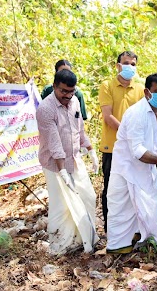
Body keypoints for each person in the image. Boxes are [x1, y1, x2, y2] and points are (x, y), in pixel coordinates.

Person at [106, 73, 157, 254]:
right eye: (156, 91)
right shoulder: (136, 114)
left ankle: (148, 242)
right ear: (146, 92)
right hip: (126, 169)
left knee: (153, 205)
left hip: (147, 169)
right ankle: (118, 250)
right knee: (122, 211)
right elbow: (137, 151)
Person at [36, 69, 99, 255]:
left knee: (88, 197)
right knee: (61, 206)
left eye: (71, 91)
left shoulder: (75, 102)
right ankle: (59, 246)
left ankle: (83, 239)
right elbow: (54, 143)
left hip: (74, 159)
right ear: (54, 87)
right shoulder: (46, 109)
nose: (68, 96)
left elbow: (79, 130)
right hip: (55, 165)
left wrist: (91, 150)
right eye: (64, 91)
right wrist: (62, 172)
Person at [99, 51, 145, 232]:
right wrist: (128, 133)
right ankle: (110, 228)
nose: (130, 67)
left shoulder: (141, 89)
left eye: (133, 64)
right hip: (112, 146)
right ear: (118, 66)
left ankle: (132, 229)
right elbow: (108, 116)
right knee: (111, 188)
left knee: (133, 188)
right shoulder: (107, 86)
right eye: (126, 63)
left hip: (135, 148)